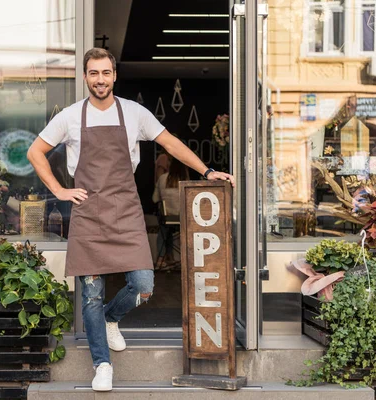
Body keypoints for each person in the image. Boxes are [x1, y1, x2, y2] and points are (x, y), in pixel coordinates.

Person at [27, 48, 234, 392]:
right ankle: (102, 363)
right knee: (90, 295)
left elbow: (169, 142)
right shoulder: (70, 116)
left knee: (143, 284)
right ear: (85, 77)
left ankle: (112, 317)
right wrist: (61, 191)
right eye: (94, 73)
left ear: (114, 76)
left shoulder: (134, 113)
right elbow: (35, 152)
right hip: (89, 213)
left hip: (125, 209)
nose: (100, 80)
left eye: (106, 73)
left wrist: (207, 170)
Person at [152, 157, 189, 269]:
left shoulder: (163, 178)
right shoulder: (186, 182)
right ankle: (182, 259)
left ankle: (161, 259)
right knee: (170, 230)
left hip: (167, 218)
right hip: (183, 219)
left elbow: (154, 198)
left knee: (164, 229)